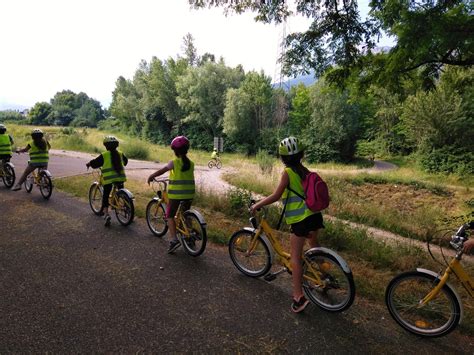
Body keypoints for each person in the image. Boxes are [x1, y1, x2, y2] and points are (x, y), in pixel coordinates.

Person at [250, 136, 324, 313]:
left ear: (282, 158)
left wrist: (257, 204)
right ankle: (323, 276)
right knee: (315, 249)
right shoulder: (304, 171)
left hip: (300, 220)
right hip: (314, 216)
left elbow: (276, 195)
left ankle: (298, 297)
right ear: (301, 154)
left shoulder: (288, 173)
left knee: (296, 259)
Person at [147, 136, 195, 254]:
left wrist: (152, 176)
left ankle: (174, 240)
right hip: (189, 194)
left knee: (170, 215)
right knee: (185, 215)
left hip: (176, 195)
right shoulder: (191, 163)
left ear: (175, 151)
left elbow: (162, 171)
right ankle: (190, 236)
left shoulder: (174, 163)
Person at [86, 136, 128, 227]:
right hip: (120, 178)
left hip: (109, 179)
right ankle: (127, 208)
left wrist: (89, 163)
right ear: (116, 145)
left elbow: (95, 163)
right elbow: (126, 162)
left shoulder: (104, 155)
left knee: (105, 195)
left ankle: (106, 214)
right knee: (122, 194)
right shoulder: (120, 153)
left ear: (106, 146)